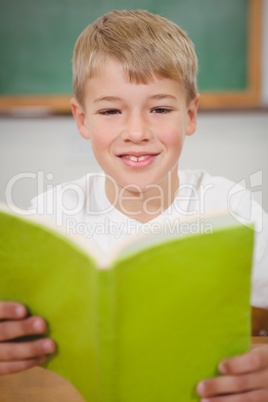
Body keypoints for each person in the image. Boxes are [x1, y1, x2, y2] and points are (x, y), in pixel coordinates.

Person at [1, 10, 268, 400]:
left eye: (160, 109)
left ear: (190, 115)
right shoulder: (49, 216)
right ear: (82, 119)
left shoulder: (231, 208)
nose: (137, 133)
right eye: (111, 111)